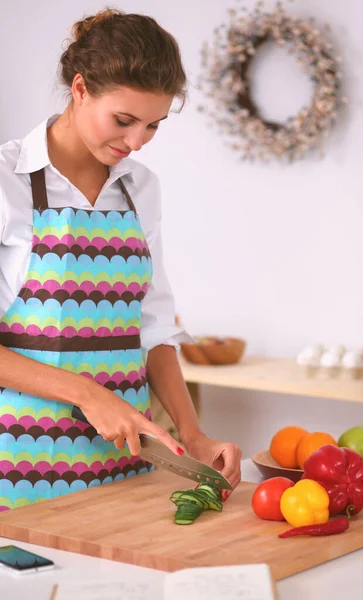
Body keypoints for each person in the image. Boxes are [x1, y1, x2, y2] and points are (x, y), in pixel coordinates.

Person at [0, 8, 241, 512]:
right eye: (124, 120)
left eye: (152, 126)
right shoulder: (8, 182)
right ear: (81, 89)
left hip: (125, 463)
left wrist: (193, 435)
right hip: (18, 465)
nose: (134, 143)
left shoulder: (141, 189)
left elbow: (152, 328)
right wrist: (89, 394)